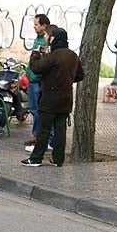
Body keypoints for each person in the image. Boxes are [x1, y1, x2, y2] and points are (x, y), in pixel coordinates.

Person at [22, 26, 83, 168]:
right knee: (60, 130)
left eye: (47, 35)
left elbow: (36, 68)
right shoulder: (73, 56)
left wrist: (36, 54)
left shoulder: (53, 56)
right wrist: (66, 80)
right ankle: (58, 159)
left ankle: (36, 158)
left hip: (49, 99)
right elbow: (80, 75)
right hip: (66, 99)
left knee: (44, 130)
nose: (45, 38)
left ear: (53, 38)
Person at [23, 14, 51, 151]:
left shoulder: (45, 41)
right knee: (34, 110)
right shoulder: (38, 39)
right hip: (32, 79)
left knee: (39, 111)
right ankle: (36, 135)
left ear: (44, 26)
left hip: (37, 80)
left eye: (36, 25)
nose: (34, 27)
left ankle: (42, 137)